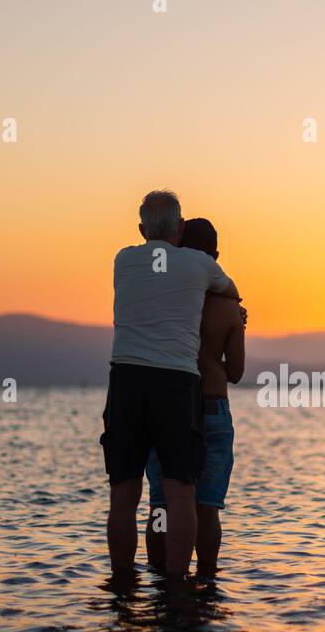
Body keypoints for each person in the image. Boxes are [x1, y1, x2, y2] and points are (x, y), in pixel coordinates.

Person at [100, 191, 240, 576]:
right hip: (176, 385)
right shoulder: (198, 264)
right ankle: (177, 588)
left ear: (141, 229)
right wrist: (235, 311)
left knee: (124, 497)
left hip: (127, 380)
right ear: (179, 227)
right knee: (182, 495)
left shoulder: (122, 260)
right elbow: (230, 289)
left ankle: (123, 585)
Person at [145, 218, 245, 580]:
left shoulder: (167, 298)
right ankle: (206, 581)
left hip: (169, 407)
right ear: (216, 255)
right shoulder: (229, 305)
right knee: (207, 509)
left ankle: (158, 579)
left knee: (160, 505)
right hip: (213, 405)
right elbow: (235, 372)